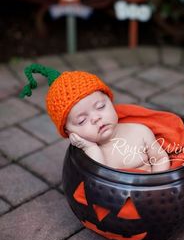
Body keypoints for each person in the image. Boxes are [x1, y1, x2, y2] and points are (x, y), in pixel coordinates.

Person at [19, 64, 170, 173]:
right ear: (69, 132)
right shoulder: (87, 155)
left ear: (111, 102)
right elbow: (100, 178)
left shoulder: (140, 132)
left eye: (100, 107)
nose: (96, 118)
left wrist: (157, 182)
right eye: (82, 121)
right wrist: (90, 147)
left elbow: (159, 157)